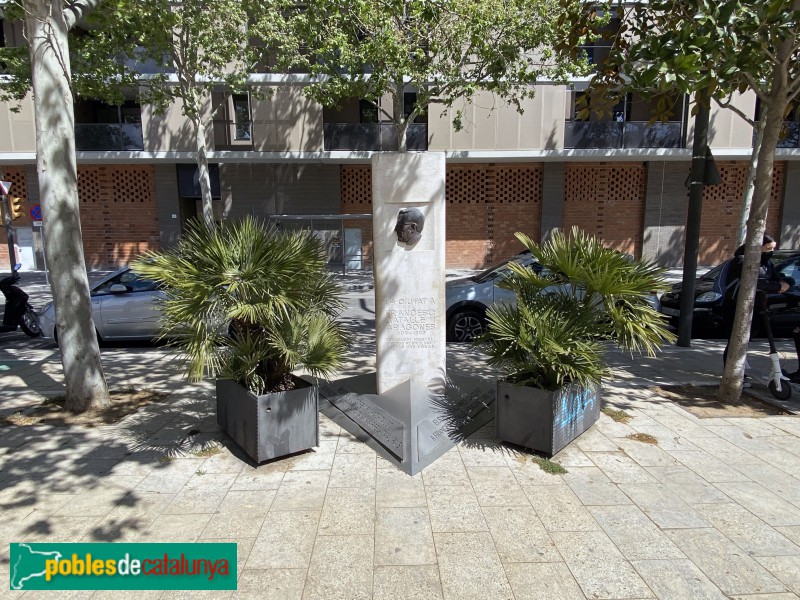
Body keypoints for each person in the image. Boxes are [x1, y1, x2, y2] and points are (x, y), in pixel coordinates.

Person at [721, 234, 791, 377]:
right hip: (737, 306)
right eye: (768, 248)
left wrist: (785, 282)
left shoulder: (766, 263)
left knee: (747, 339)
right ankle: (732, 375)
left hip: (757, 306)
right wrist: (776, 286)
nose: (770, 252)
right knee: (736, 340)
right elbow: (751, 281)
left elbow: (776, 276)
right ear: (758, 247)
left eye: (773, 248)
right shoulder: (742, 261)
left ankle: (741, 371)